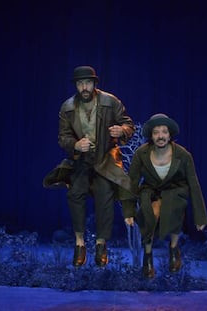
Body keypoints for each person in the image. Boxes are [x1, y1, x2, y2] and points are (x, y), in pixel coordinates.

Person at [57, 65, 135, 267]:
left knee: (105, 196)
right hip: (81, 161)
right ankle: (80, 243)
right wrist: (75, 144)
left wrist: (121, 130)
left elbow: (129, 124)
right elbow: (63, 137)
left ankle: (101, 244)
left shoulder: (110, 102)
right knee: (75, 194)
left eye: (88, 83)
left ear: (95, 84)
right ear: (76, 85)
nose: (84, 87)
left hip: (105, 158)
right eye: (80, 83)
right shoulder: (67, 107)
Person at [122, 113, 207, 278]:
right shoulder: (142, 153)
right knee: (149, 214)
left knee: (173, 206)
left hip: (175, 190)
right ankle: (147, 256)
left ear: (170, 134)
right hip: (151, 190)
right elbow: (131, 182)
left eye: (164, 132)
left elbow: (194, 184)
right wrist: (128, 211)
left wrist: (200, 217)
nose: (160, 136)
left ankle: (174, 248)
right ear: (151, 135)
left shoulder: (183, 155)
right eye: (156, 132)